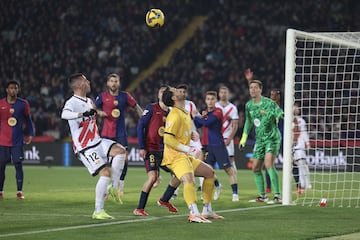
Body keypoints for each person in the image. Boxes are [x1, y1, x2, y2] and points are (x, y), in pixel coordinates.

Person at [61, 73, 127, 220]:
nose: (89, 82)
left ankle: (114, 188)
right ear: (79, 85)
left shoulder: (90, 101)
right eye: (85, 81)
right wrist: (81, 113)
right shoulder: (72, 102)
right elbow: (64, 114)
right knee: (104, 173)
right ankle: (98, 211)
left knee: (121, 151)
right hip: (85, 147)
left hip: (98, 141)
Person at [161, 86, 223, 223]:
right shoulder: (174, 115)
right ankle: (193, 213)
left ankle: (207, 210)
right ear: (173, 98)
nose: (179, 90)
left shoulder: (183, 112)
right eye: (175, 90)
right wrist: (188, 149)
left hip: (183, 155)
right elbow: (168, 138)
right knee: (189, 180)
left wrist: (191, 134)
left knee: (210, 173)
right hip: (175, 157)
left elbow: (180, 134)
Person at [95, 73, 143, 200]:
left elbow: (136, 107)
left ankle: (120, 185)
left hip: (121, 134)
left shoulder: (125, 96)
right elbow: (93, 108)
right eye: (111, 81)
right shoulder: (102, 96)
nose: (114, 83)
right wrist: (99, 112)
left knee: (124, 160)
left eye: (116, 81)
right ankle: (106, 190)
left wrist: (144, 119)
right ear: (108, 83)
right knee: (106, 163)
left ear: (119, 83)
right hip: (106, 134)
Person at [133, 86, 178, 216]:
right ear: (159, 95)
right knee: (152, 177)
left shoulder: (171, 112)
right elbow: (141, 125)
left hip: (165, 150)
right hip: (151, 149)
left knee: (179, 174)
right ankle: (139, 208)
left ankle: (164, 200)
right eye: (161, 92)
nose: (163, 94)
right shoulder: (151, 108)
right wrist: (142, 147)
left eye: (166, 92)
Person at [239, 79, 283, 204]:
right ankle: (262, 196)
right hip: (260, 140)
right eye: (251, 87)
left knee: (268, 164)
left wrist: (284, 114)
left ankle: (277, 195)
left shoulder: (269, 103)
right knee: (255, 167)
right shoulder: (249, 105)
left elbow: (279, 112)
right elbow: (248, 122)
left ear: (260, 90)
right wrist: (243, 138)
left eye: (255, 87)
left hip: (272, 138)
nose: (252, 90)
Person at [194, 91, 239, 202]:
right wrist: (200, 117)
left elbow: (206, 123)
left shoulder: (218, 111)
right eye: (208, 99)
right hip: (207, 146)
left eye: (212, 99)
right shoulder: (206, 114)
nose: (210, 101)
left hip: (218, 145)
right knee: (208, 171)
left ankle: (235, 194)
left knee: (228, 170)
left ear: (215, 101)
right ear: (205, 100)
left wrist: (196, 115)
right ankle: (217, 186)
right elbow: (198, 124)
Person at [0, 80, 35, 200]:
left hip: (17, 141)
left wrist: (31, 133)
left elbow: (28, 119)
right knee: (1, 165)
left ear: (18, 90)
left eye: (15, 88)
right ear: (7, 90)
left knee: (18, 165)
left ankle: (19, 191)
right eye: (11, 88)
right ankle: (0, 191)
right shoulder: (1, 104)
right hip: (2, 141)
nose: (13, 90)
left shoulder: (23, 104)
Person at [214, 85, 239, 200]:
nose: (223, 94)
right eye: (222, 92)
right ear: (219, 94)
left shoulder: (232, 108)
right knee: (207, 165)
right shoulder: (214, 106)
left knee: (230, 163)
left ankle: (235, 192)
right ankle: (216, 186)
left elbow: (235, 125)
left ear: (228, 94)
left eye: (225, 92)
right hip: (215, 139)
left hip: (227, 139)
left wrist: (230, 138)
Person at [293, 104, 311, 194]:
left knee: (302, 164)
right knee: (295, 166)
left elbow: (304, 133)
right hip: (291, 147)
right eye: (295, 107)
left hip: (300, 146)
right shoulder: (287, 120)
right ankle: (301, 185)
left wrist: (307, 143)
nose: (297, 109)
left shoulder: (301, 121)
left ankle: (306, 184)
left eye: (298, 108)